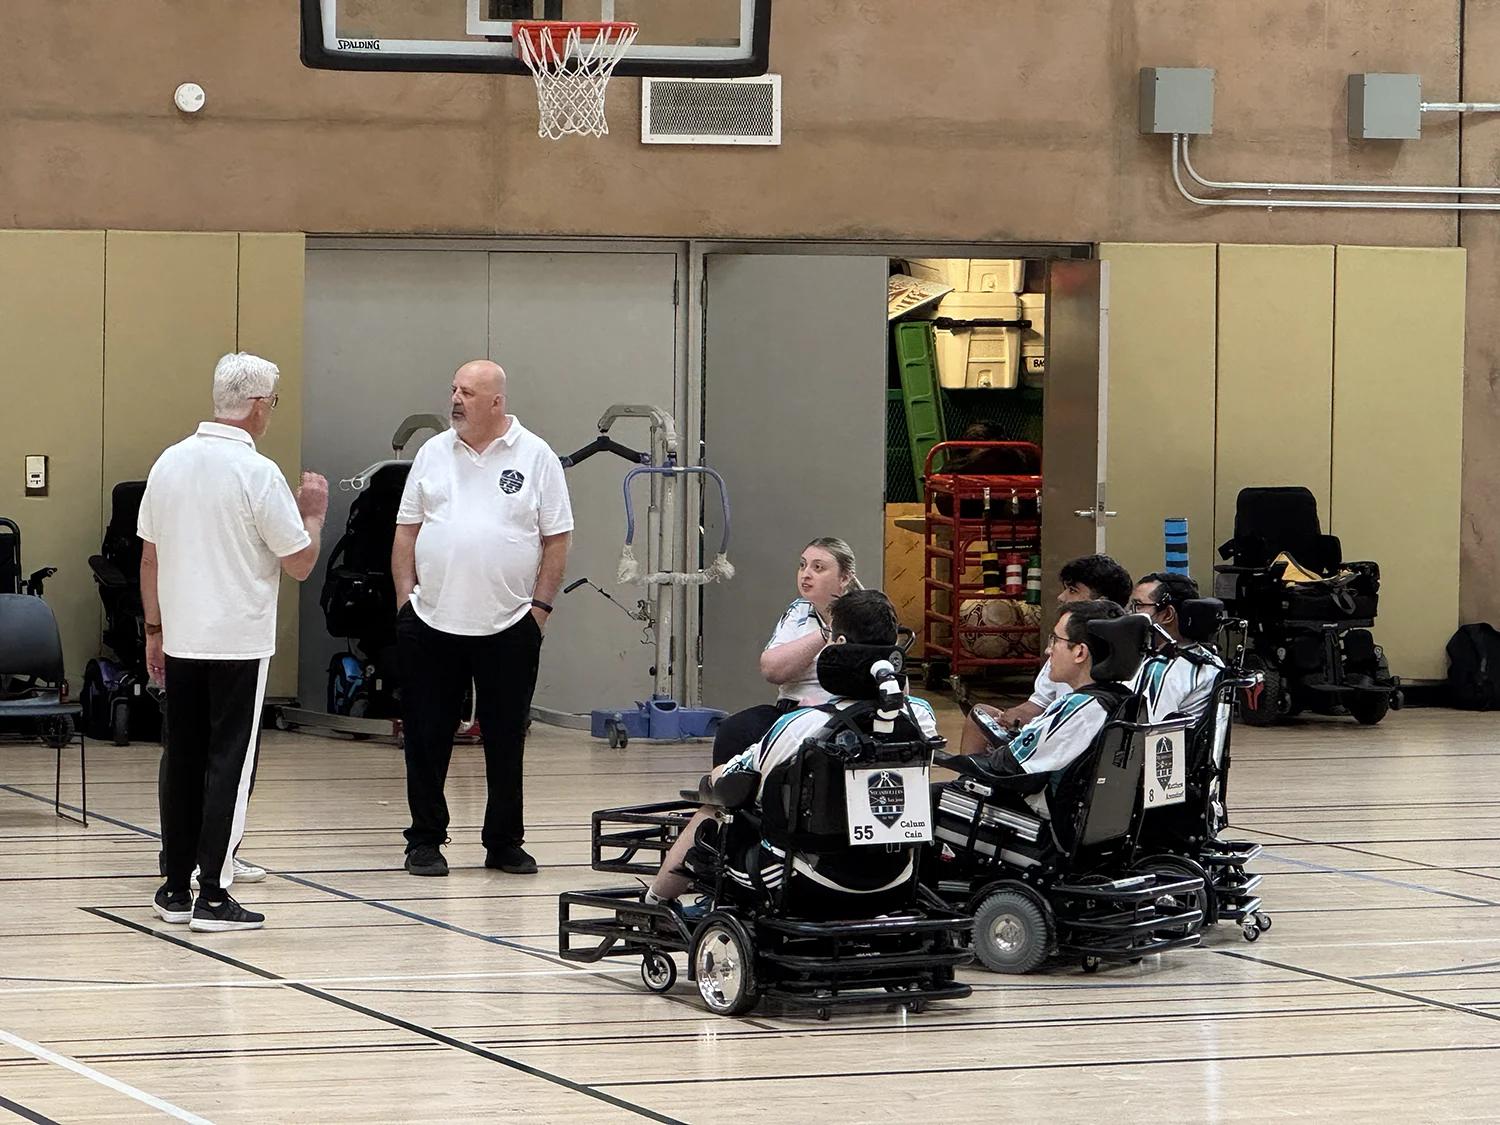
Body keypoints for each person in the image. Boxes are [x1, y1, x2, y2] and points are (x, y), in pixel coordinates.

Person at [140, 353, 327, 933]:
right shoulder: (257, 472)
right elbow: (299, 561)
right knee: (229, 763)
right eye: (270, 403)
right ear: (255, 406)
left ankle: (173, 886)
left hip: (182, 638)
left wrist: (154, 629)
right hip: (237, 641)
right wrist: (314, 515)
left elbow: (149, 557)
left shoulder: (168, 462)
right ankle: (214, 895)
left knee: (182, 758)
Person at [646, 589, 937, 909]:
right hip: (897, 879)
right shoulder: (921, 720)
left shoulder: (802, 726)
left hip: (806, 882)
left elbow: (736, 782)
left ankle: (655, 902)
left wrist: (715, 778)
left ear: (837, 647)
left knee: (718, 805)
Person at [394, 359, 573, 878]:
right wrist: (405, 602)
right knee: (426, 737)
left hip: (509, 624)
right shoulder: (432, 452)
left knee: (504, 736)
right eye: (453, 389)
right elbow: (406, 531)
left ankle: (504, 842)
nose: (455, 399)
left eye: (468, 392)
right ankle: (424, 841)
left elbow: (556, 539)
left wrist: (539, 610)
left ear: (496, 402)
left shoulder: (536, 456)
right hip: (430, 622)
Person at [949, 599, 1126, 818]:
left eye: (1056, 640)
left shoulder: (1077, 708)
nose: (1048, 650)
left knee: (934, 797)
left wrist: (948, 760)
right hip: (1079, 812)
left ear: (1080, 652)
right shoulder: (1122, 700)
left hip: (1036, 815)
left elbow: (1009, 764)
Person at [958, 553, 1131, 754]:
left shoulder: (1121, 663)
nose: (1061, 597)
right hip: (1049, 732)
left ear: (1101, 602)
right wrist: (1010, 718)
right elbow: (1039, 703)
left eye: (1073, 590)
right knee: (982, 715)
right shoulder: (1066, 645)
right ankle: (969, 783)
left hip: (1071, 748)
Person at [708, 538, 858, 768]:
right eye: (802, 565)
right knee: (735, 729)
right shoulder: (799, 610)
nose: (805, 574)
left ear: (844, 578)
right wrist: (823, 634)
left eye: (818, 568)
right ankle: (721, 796)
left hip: (840, 714)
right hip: (789, 709)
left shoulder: (866, 614)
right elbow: (771, 669)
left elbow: (898, 683)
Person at [1128, 572, 1225, 722]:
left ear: (1167, 614)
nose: (1130, 613)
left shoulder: (1162, 671)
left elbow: (1147, 733)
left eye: (1138, 605)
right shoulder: (1214, 661)